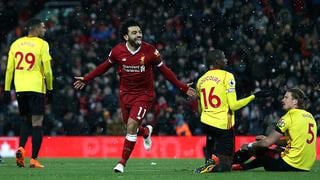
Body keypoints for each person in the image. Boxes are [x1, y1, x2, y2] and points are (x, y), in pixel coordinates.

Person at [73, 19, 196, 173]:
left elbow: (164, 70)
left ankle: (121, 163)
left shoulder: (150, 51)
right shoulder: (117, 51)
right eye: (134, 33)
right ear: (126, 36)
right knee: (132, 127)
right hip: (125, 95)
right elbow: (104, 66)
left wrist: (182, 86)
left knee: (131, 126)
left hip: (144, 94)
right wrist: (87, 78)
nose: (139, 35)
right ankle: (145, 132)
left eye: (139, 32)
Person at [194, 49, 271, 173]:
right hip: (223, 125)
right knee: (226, 166)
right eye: (224, 57)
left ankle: (210, 161)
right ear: (217, 61)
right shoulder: (227, 76)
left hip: (207, 122)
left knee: (212, 152)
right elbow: (234, 105)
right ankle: (214, 165)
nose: (226, 60)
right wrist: (254, 96)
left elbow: (200, 107)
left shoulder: (201, 80)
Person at [4, 19, 53, 168]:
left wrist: (7, 89)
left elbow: (9, 70)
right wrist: (50, 87)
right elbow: (48, 70)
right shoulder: (42, 44)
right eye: (43, 28)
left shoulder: (16, 44)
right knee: (37, 123)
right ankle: (33, 159)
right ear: (36, 29)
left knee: (25, 120)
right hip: (36, 88)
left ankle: (21, 149)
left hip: (20, 89)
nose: (45, 30)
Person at [233, 88, 317, 171]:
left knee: (260, 149)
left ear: (295, 101)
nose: (282, 100)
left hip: (291, 164)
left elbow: (266, 143)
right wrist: (273, 141)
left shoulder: (289, 116)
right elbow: (295, 141)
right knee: (275, 150)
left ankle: (233, 164)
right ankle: (240, 166)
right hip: (306, 165)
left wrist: (249, 146)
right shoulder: (310, 116)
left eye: (286, 97)